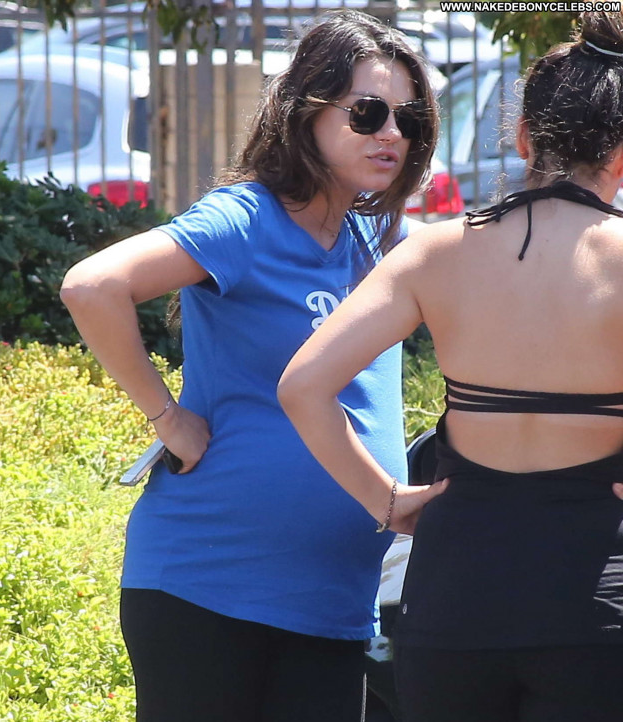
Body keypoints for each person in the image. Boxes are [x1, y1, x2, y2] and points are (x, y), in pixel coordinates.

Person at [60, 10, 439, 722]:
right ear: (306, 112)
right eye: (367, 112)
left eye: (409, 118)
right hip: (208, 588)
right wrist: (167, 417)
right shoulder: (245, 218)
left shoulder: (385, 241)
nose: (392, 133)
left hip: (334, 602)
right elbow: (92, 286)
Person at [278, 10, 623, 722]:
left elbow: (303, 385)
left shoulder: (435, 253)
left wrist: (385, 501)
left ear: (523, 137)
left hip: (454, 602)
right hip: (597, 607)